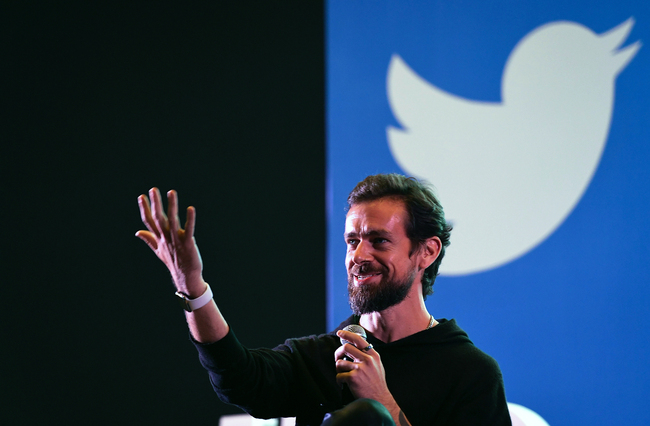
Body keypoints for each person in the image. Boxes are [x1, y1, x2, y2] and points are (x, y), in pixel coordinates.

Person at [136, 173, 511, 426]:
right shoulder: (320, 357)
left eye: (379, 240)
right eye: (352, 241)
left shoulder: (471, 374)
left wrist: (385, 405)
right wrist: (193, 286)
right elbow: (238, 377)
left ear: (426, 252)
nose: (359, 256)